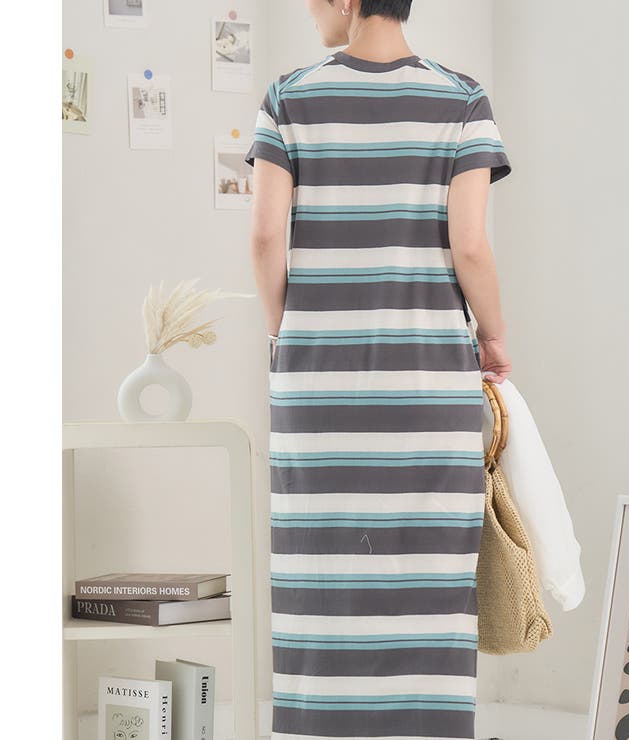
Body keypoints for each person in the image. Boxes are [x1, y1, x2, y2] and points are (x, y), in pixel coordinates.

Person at [245, 1, 512, 738]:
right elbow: (471, 246)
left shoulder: (288, 97)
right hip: (427, 380)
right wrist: (494, 335)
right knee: (429, 566)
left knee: (319, 564)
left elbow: (265, 237)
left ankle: (319, 719)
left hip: (316, 381)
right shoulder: (463, 100)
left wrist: (283, 331)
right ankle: (426, 718)